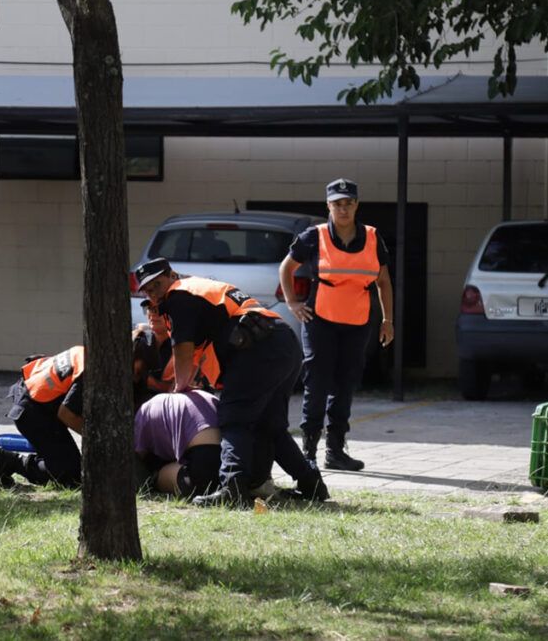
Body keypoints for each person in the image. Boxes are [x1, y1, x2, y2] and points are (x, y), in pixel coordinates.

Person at [133, 257, 329, 507]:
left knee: (234, 420)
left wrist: (179, 388)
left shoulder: (178, 296)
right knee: (270, 425)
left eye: (156, 285)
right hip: (281, 342)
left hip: (255, 350)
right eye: (147, 290)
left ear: (171, 275)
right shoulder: (196, 290)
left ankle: (231, 488)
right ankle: (311, 484)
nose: (154, 293)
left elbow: (182, 348)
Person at [278, 178, 394, 471]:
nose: (343, 209)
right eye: (337, 204)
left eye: (348, 203)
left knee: (345, 385)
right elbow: (286, 268)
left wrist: (387, 320)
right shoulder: (313, 237)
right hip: (321, 322)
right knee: (317, 384)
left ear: (356, 205)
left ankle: (335, 451)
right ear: (328, 206)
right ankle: (308, 454)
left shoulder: (371, 237)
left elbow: (383, 281)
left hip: (356, 324)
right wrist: (292, 303)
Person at [0, 335, 158, 488]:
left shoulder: (105, 359)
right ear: (127, 358)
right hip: (32, 409)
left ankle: (50, 461)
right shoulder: (94, 370)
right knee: (70, 476)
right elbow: (67, 414)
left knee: (71, 465)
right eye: (136, 373)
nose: (136, 379)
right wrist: (100, 439)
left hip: (44, 403)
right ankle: (11, 461)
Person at [134, 390, 222, 498]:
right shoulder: (205, 395)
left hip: (199, 476)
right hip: (228, 467)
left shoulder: (144, 411)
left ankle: (155, 480)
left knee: (155, 475)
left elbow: (138, 456)